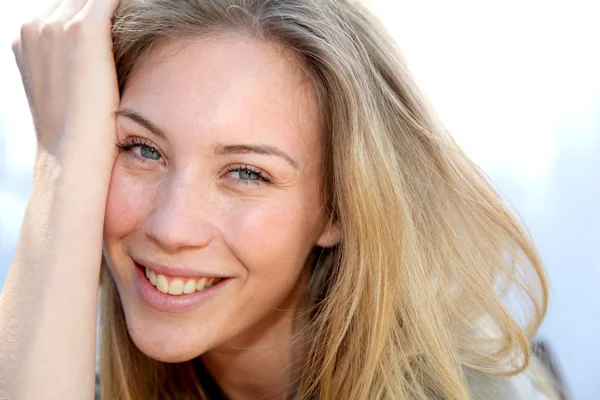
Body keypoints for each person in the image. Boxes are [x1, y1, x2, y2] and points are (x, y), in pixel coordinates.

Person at [1, 0, 559, 398]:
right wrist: (63, 156)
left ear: (339, 207)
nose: (172, 227)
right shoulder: (68, 362)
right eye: (142, 149)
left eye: (246, 172)